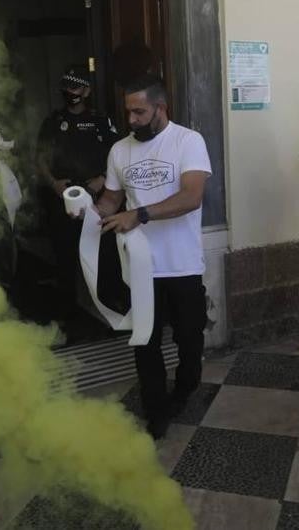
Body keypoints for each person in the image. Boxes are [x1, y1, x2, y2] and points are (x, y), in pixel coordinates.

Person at [91, 74, 212, 440]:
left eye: (140, 112)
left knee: (190, 338)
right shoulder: (119, 150)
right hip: (140, 268)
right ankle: (156, 409)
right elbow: (111, 201)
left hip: (182, 263)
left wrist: (140, 214)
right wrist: (88, 212)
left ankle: (186, 387)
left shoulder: (187, 142)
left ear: (161, 108)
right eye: (129, 113)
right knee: (145, 341)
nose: (132, 121)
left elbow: (192, 197)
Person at [36, 68, 118, 323]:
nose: (71, 93)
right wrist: (54, 184)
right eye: (67, 87)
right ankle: (67, 313)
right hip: (62, 197)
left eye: (76, 88)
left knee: (103, 252)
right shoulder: (53, 121)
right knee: (65, 255)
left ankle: (109, 303)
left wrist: (101, 181)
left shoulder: (100, 121)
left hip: (96, 198)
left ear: (87, 91)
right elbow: (39, 158)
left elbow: (119, 155)